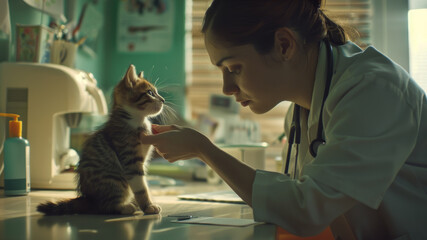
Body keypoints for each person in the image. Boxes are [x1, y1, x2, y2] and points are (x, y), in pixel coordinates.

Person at [140, 0, 427, 239]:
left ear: (284, 45)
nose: (226, 88)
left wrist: (204, 149)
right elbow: (300, 202)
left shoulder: (375, 89)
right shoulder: (302, 109)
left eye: (234, 68)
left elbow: (307, 210)